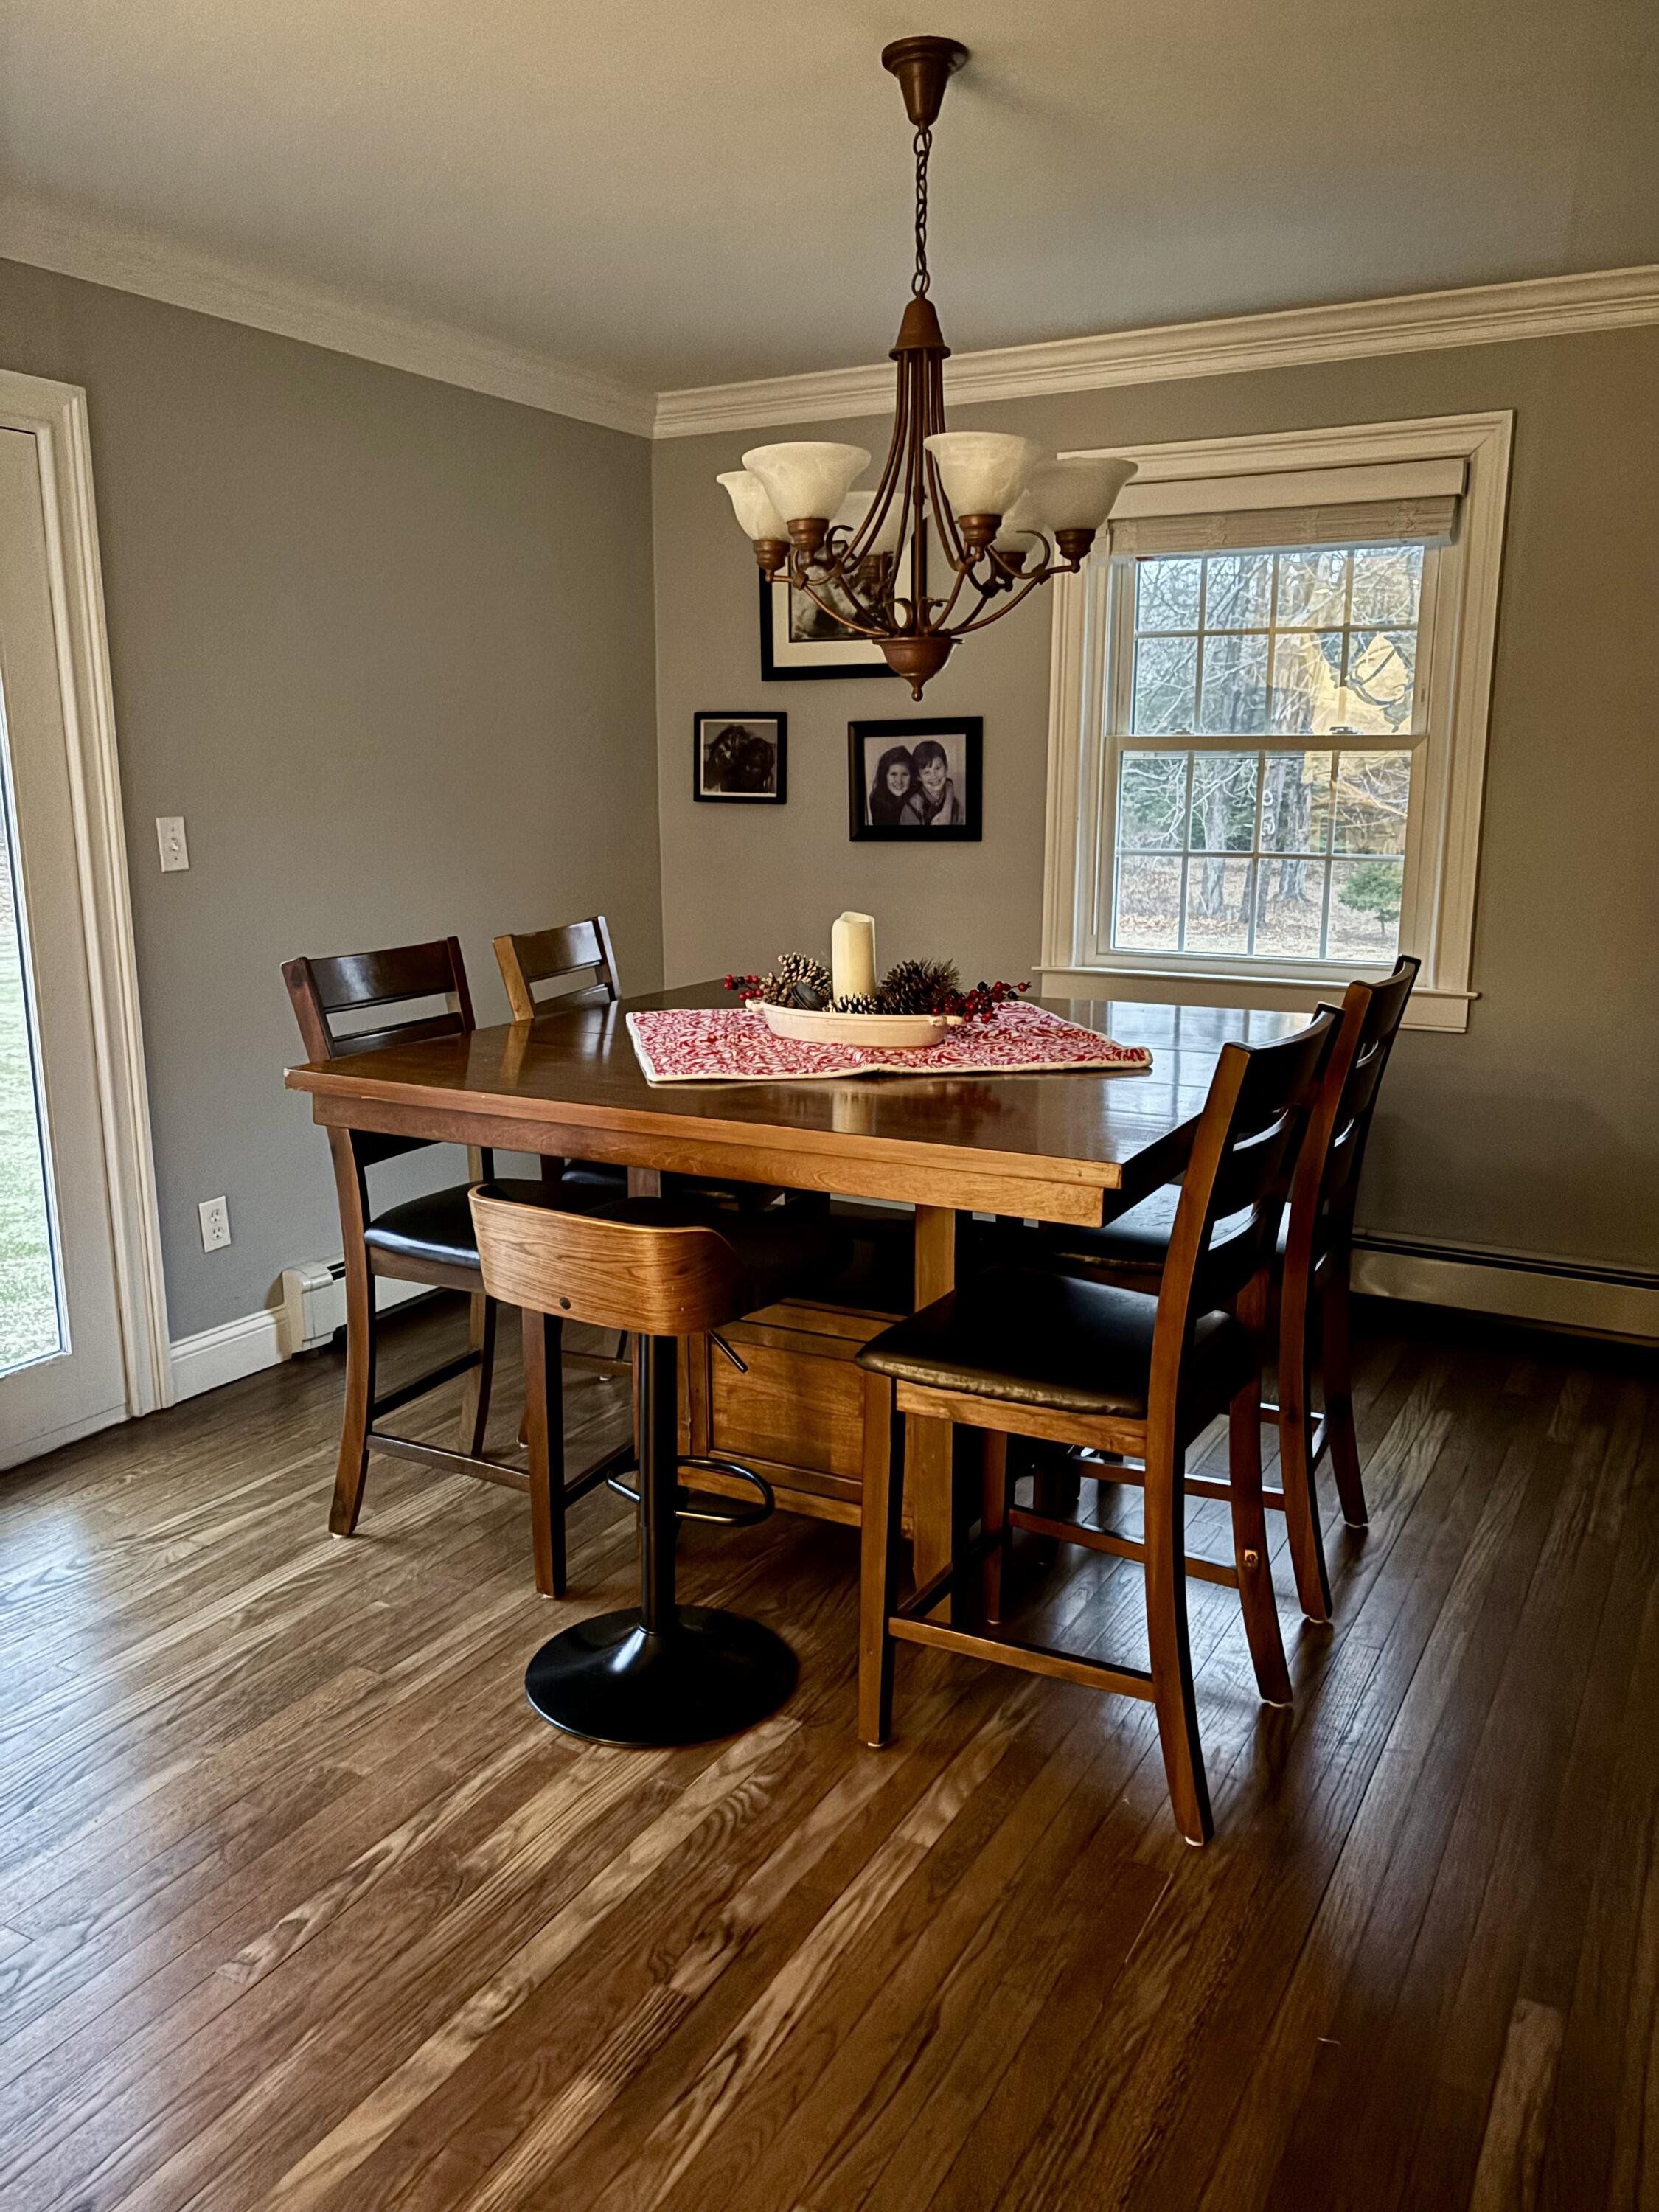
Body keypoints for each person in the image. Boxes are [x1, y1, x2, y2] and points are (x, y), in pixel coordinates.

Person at [901, 738, 964, 827]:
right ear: (919, 777)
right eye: (926, 772)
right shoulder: (911, 809)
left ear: (946, 767)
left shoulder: (955, 805)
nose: (934, 776)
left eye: (938, 768)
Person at [867, 744, 914, 825]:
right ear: (884, 776)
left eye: (905, 774)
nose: (899, 781)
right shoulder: (877, 800)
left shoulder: (919, 797)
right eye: (893, 774)